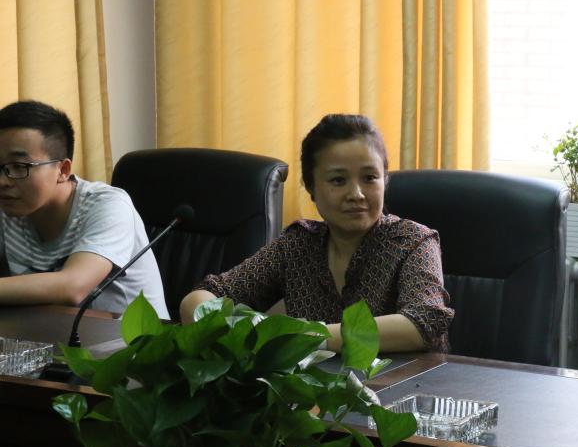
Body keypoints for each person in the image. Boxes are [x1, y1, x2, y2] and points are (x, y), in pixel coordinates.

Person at [179, 114, 454, 353]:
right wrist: (233, 332)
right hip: (314, 394)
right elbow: (207, 296)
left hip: (409, 390)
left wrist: (306, 336)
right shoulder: (298, 244)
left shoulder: (412, 241)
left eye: (370, 178)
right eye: (338, 180)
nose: (356, 194)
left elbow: (423, 323)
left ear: (385, 181)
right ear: (311, 188)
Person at [0, 100, 168, 317]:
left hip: (127, 336)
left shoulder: (108, 205)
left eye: (19, 166)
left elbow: (72, 287)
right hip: (47, 333)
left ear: (62, 170)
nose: (3, 181)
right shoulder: (9, 207)